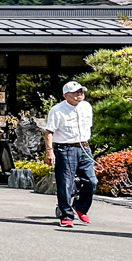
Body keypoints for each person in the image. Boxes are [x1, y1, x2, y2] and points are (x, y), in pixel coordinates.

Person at [44, 81, 95, 228]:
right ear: (66, 95)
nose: (80, 94)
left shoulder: (87, 106)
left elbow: (88, 127)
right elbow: (49, 131)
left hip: (84, 147)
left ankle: (80, 207)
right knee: (65, 183)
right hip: (65, 148)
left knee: (91, 181)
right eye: (76, 92)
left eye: (81, 91)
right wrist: (49, 151)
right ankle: (66, 215)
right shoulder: (57, 110)